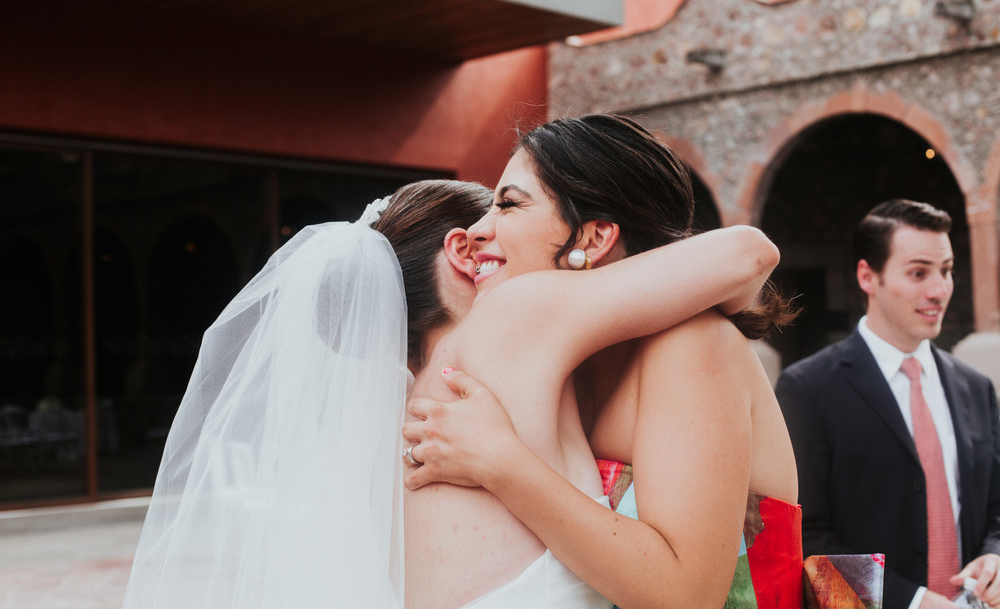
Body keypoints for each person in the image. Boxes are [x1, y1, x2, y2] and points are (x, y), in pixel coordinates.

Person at [122, 175, 779, 609]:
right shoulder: (511, 335)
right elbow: (746, 253)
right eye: (499, 208)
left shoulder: (390, 430)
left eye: (510, 202)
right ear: (469, 254)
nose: (499, 224)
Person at [402, 114, 803, 608]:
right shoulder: (566, 370)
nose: (477, 230)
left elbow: (688, 595)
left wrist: (503, 464)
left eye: (507, 205)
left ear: (592, 239)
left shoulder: (691, 345)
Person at [774, 199, 1000, 609]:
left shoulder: (977, 387)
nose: (939, 290)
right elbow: (804, 538)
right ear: (867, 276)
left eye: (946, 271)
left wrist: (996, 556)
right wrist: (910, 601)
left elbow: (997, 510)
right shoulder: (806, 389)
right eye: (918, 273)